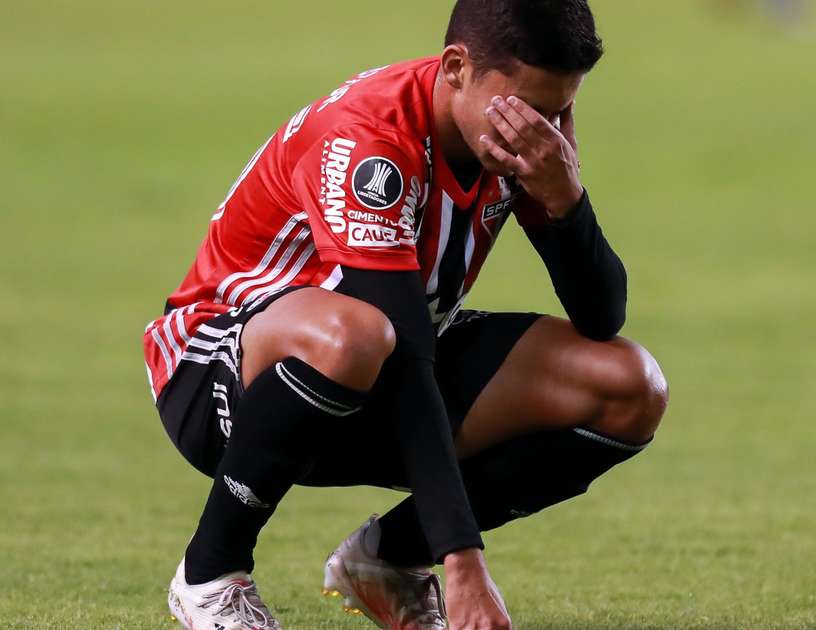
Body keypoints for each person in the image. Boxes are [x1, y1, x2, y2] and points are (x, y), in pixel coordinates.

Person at [141, 1, 668, 628]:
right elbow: (403, 354)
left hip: (387, 363)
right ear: (456, 68)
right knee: (360, 335)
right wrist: (463, 559)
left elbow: (601, 315)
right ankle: (209, 573)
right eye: (528, 109)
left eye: (559, 113)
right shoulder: (370, 140)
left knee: (629, 386)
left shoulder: (515, 143)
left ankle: (388, 562)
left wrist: (564, 197)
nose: (540, 131)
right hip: (218, 376)